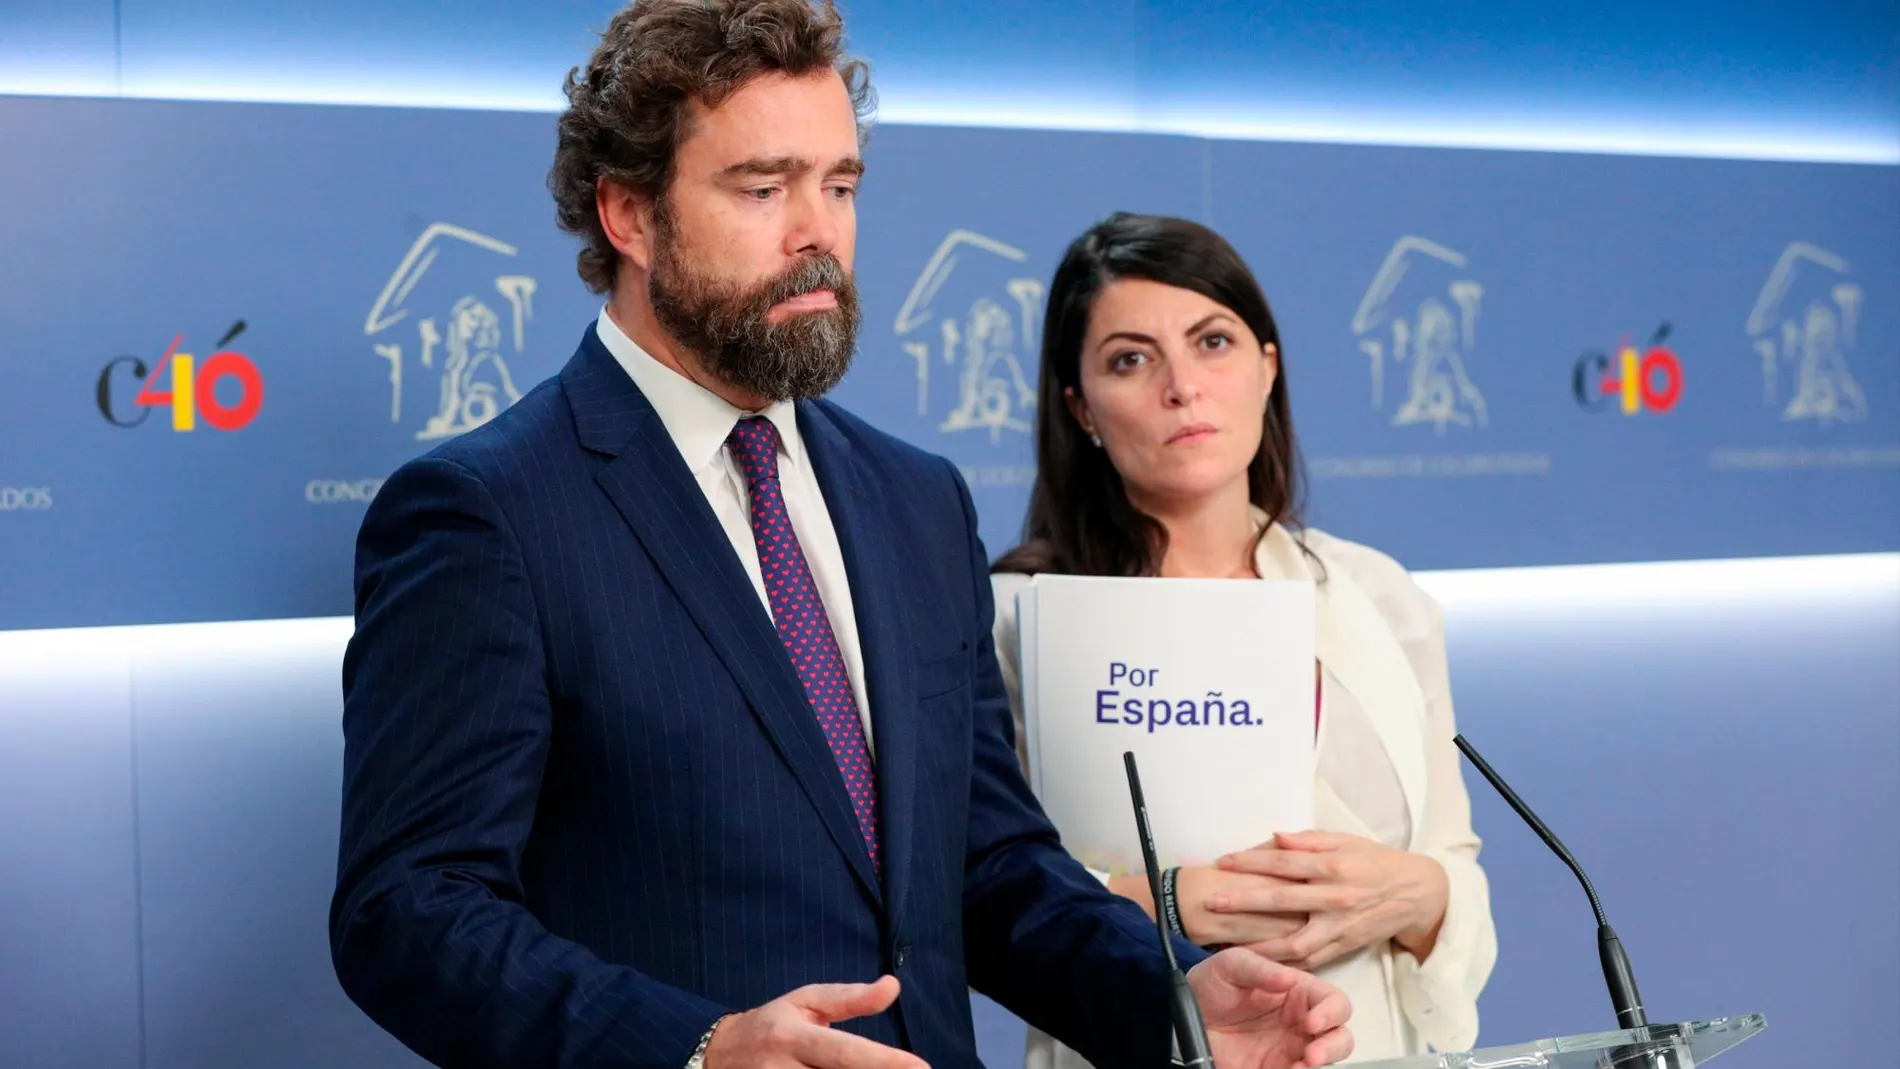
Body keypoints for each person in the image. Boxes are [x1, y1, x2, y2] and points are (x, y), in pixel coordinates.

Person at [328, 5, 1354, 1068]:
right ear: (629, 213)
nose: (817, 230)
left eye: (841, 184)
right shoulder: (487, 508)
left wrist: (1173, 993)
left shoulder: (912, 499)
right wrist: (698, 1046)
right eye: (763, 188)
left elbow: (988, 862)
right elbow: (408, 911)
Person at [990, 214, 1497, 1066]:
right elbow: (987, 896)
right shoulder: (1016, 622)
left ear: (1268, 366)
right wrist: (1160, 905)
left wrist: (1422, 896)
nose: (1181, 386)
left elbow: (1452, 864)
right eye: (1130, 358)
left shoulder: (1378, 595)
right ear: (1080, 407)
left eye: (1212, 341)